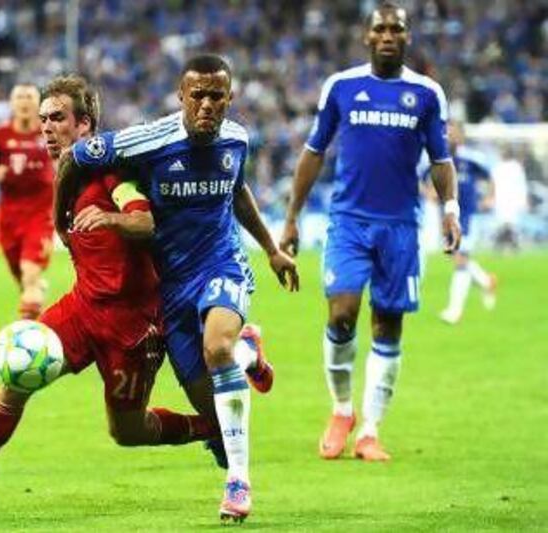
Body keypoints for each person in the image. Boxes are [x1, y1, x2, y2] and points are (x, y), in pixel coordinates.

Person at [0, 75, 242, 515]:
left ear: (85, 124)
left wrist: (109, 221)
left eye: (57, 119)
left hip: (133, 327)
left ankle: (213, 428)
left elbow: (146, 223)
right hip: (84, 308)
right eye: (44, 119)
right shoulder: (67, 174)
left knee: (127, 431)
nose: (46, 127)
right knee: (17, 376)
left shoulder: (114, 174)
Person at [66, 54, 298, 523]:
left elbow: (236, 190)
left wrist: (272, 249)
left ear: (230, 99)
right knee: (207, 407)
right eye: (199, 96)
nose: (208, 105)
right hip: (170, 283)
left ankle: (238, 481)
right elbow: (76, 157)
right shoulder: (148, 141)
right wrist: (61, 220)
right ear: (181, 97)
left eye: (218, 96)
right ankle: (248, 354)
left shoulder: (236, 138)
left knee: (216, 349)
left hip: (222, 263)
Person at [280, 2, 462, 462]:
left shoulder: (426, 94)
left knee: (388, 323)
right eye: (379, 28)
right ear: (366, 37)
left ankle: (370, 430)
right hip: (348, 223)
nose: (387, 35)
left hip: (400, 227)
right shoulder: (342, 87)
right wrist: (291, 217)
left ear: (406, 37)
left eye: (395, 29)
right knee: (341, 313)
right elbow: (313, 152)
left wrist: (451, 210)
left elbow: (441, 163)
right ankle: (342, 410)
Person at [0, 84, 54, 319]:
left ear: (39, 104)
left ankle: (29, 337)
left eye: (29, 97)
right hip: (9, 218)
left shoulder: (51, 133)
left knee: (29, 274)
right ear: (12, 103)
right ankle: (35, 296)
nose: (24, 102)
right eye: (19, 97)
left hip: (41, 215)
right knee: (24, 280)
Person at [439, 121, 497, 324]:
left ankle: (455, 311)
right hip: (447, 214)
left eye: (453, 133)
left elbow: (490, 176)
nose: (450, 137)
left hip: (468, 215)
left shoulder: (470, 158)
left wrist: (490, 197)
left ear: (461, 137)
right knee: (455, 257)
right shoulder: (439, 157)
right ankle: (486, 281)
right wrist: (429, 192)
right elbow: (423, 178)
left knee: (461, 259)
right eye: (447, 133)